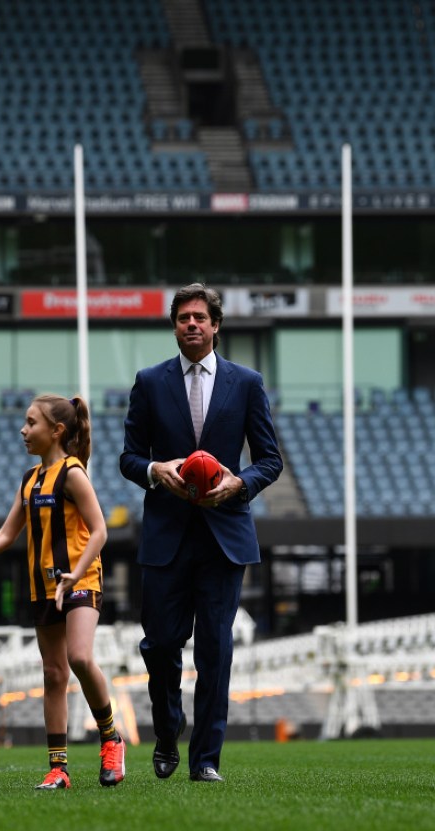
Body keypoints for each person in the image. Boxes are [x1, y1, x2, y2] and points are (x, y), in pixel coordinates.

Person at [120, 283, 282, 782]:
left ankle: (206, 759)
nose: (191, 324)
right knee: (162, 645)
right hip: (167, 535)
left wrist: (239, 484)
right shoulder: (149, 382)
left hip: (224, 536)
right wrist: (155, 470)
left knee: (216, 647)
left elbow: (270, 460)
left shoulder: (247, 382)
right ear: (175, 326)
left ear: (216, 325)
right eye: (182, 318)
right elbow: (127, 458)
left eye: (199, 317)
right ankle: (168, 731)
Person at [0, 394, 125, 790]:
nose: (23, 431)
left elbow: (100, 531)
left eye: (31, 423)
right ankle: (59, 768)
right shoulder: (29, 479)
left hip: (80, 580)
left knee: (79, 657)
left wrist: (75, 574)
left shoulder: (74, 474)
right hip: (43, 587)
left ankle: (111, 738)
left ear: (56, 431)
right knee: (53, 673)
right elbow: (7, 534)